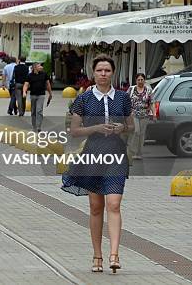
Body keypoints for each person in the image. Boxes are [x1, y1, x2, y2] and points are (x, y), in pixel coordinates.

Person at [61, 54, 133, 274]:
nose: (103, 74)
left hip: (115, 156)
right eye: (100, 70)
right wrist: (95, 129)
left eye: (107, 70)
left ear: (113, 73)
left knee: (113, 203)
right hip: (92, 156)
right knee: (95, 207)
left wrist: (122, 128)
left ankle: (114, 254)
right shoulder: (83, 99)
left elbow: (131, 126)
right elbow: (74, 131)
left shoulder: (122, 98)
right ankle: (97, 254)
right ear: (93, 73)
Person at [126, 73, 152, 161]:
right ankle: (132, 152)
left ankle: (139, 153)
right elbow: (126, 100)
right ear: (136, 80)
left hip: (145, 115)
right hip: (133, 114)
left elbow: (151, 102)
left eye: (142, 80)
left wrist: (154, 114)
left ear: (144, 80)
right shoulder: (131, 89)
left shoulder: (148, 90)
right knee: (136, 132)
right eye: (138, 80)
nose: (140, 81)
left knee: (142, 134)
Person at [22, 62, 52, 132]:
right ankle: (34, 125)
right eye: (39, 66)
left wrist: (50, 93)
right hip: (33, 95)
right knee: (33, 111)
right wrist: (24, 92)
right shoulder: (29, 76)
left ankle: (38, 126)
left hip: (41, 95)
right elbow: (26, 85)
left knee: (39, 111)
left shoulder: (44, 74)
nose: (41, 67)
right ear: (35, 68)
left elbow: (48, 84)